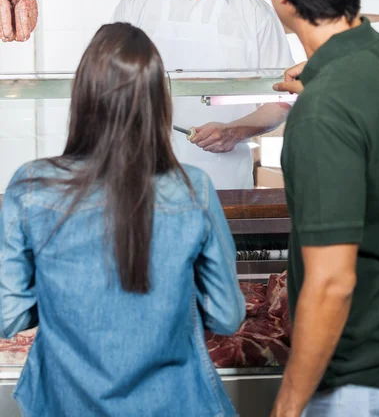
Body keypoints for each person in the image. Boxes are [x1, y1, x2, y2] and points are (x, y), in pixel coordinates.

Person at [0, 23, 246, 417]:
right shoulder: (192, 188)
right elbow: (227, 315)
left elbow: (7, 313)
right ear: (157, 104)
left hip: (64, 404)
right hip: (175, 404)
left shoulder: (31, 186)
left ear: (82, 98)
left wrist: (62, 295)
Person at [256, 0, 379, 417]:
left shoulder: (322, 113)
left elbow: (332, 282)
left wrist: (288, 406)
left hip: (361, 382)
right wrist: (321, 76)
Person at [114, 0, 294, 190]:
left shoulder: (256, 13)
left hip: (225, 183)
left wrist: (235, 131)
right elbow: (112, 88)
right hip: (146, 178)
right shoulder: (136, 4)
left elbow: (281, 100)